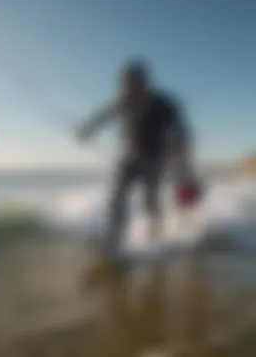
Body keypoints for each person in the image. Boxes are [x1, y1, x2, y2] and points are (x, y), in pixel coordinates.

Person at [76, 59, 198, 259]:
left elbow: (182, 131)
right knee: (117, 198)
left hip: (155, 158)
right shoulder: (122, 103)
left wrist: (183, 165)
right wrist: (87, 130)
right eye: (124, 84)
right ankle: (114, 241)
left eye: (133, 83)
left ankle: (155, 237)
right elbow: (102, 117)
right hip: (130, 158)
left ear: (144, 83)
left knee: (150, 200)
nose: (128, 88)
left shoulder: (163, 105)